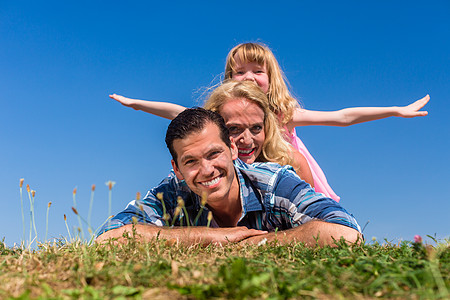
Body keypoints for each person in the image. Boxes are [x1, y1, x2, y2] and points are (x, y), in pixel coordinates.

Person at [109, 42, 430, 202]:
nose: (249, 76)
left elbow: (343, 117)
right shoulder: (222, 115)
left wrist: (395, 110)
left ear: (270, 77)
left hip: (282, 169)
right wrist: (137, 104)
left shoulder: (283, 114)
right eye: (240, 71)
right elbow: (177, 111)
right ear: (229, 78)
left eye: (257, 71)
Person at [96, 108, 362, 247]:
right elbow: (107, 239)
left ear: (233, 149)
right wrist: (212, 238)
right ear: (176, 169)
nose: (207, 170)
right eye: (190, 161)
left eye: (214, 154)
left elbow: (346, 233)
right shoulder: (171, 192)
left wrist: (254, 242)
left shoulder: (273, 182)